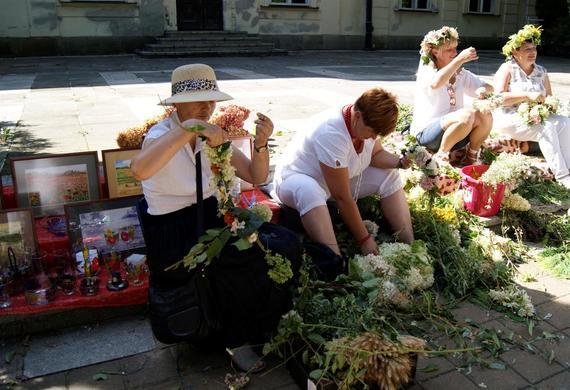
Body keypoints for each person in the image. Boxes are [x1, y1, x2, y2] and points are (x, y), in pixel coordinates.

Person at [131, 64, 299, 372]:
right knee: (247, 260)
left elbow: (255, 174)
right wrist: (189, 129)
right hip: (175, 234)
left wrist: (261, 144)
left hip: (210, 221)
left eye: (211, 100)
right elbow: (140, 169)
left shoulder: (213, 133)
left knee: (285, 242)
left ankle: (269, 325)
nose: (208, 107)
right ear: (176, 105)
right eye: (199, 100)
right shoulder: (160, 135)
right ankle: (238, 341)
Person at [273, 87, 414, 258]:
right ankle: (333, 261)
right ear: (358, 116)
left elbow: (376, 154)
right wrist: (364, 239)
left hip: (335, 181)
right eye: (372, 132)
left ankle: (409, 245)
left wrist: (400, 162)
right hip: (297, 180)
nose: (373, 137)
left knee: (390, 175)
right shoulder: (331, 133)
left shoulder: (365, 122)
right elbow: (342, 197)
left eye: (377, 134)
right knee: (310, 191)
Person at [493, 24, 570, 189]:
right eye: (527, 49)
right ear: (515, 52)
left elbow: (549, 97)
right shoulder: (507, 69)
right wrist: (527, 96)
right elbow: (498, 98)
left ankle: (569, 166)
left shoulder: (541, 71)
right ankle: (563, 177)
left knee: (565, 122)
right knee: (546, 127)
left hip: (536, 117)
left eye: (534, 48)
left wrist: (549, 105)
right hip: (510, 117)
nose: (532, 52)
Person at [411, 26, 493, 165]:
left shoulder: (460, 73)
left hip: (458, 131)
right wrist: (460, 59)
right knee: (467, 115)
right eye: (449, 49)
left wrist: (483, 90)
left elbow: (489, 87)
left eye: (456, 48)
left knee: (484, 113)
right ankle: (440, 158)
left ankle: (471, 157)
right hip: (427, 134)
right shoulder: (427, 71)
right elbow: (436, 83)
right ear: (435, 52)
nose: (455, 53)